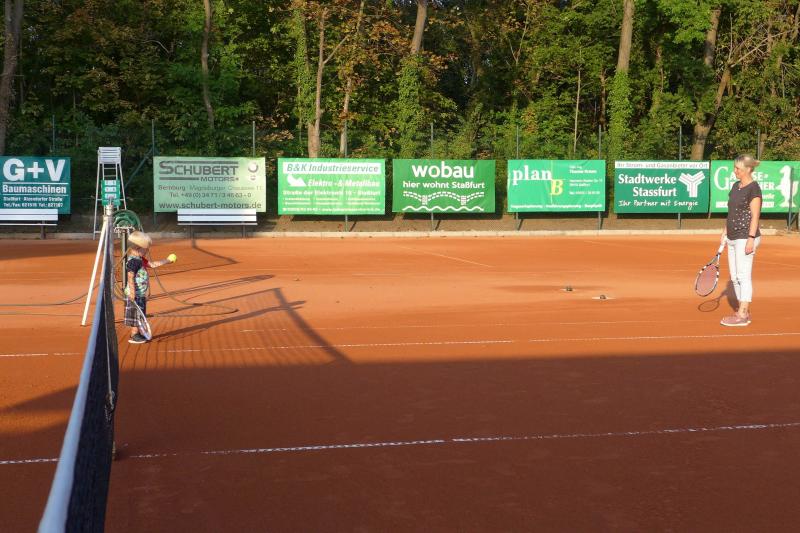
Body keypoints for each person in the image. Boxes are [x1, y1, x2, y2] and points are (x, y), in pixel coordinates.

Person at [720, 154, 762, 327]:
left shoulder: (754, 189)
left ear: (748, 169)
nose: (735, 171)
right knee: (735, 277)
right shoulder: (735, 186)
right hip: (732, 236)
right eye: (735, 167)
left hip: (745, 237)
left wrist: (751, 239)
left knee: (743, 276)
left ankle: (743, 314)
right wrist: (725, 231)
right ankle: (742, 310)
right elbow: (731, 212)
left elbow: (755, 216)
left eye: (738, 168)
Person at [125, 231, 174, 343]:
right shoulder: (133, 261)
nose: (147, 251)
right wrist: (132, 292)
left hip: (140, 294)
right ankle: (134, 334)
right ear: (137, 248)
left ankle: (136, 333)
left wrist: (167, 260)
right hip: (135, 295)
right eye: (146, 249)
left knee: (140, 314)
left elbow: (152, 264)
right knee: (136, 315)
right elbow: (130, 276)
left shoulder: (140, 259)